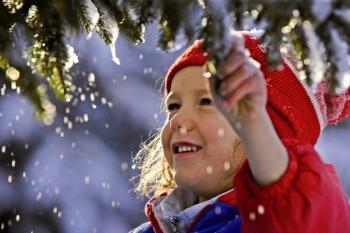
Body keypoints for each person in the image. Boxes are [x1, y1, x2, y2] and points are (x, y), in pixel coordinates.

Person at [130, 32, 350, 233]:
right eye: (173, 106)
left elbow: (302, 211)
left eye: (206, 101)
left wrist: (256, 128)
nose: (177, 119)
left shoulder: (280, 223)